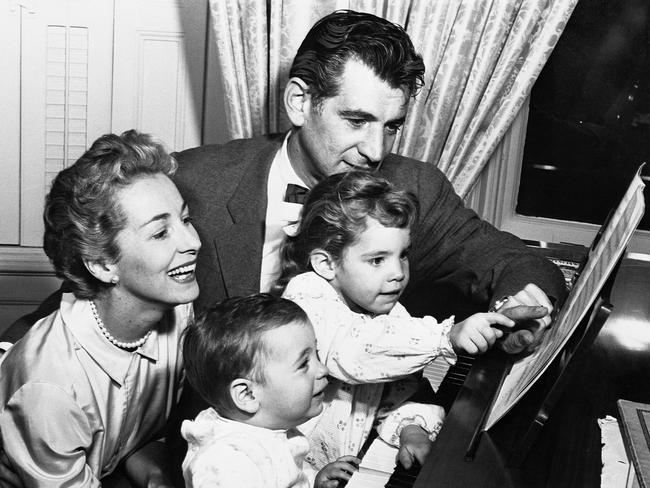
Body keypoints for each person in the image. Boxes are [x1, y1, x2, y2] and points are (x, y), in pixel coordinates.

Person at [275, 171, 523, 470]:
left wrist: (411, 429)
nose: (398, 273)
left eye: (402, 255)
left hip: (335, 469)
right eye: (377, 259)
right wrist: (446, 337)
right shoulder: (305, 297)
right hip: (284, 468)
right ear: (326, 264)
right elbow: (355, 353)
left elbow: (395, 388)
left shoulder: (388, 310)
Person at [0, 130, 201, 487]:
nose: (194, 242)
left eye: (184, 220)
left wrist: (155, 475)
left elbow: (137, 438)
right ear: (103, 264)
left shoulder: (179, 315)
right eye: (160, 233)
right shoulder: (50, 384)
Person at [180, 293, 359, 488]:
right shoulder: (229, 464)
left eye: (316, 354)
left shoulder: (266, 428)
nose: (323, 369)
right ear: (247, 395)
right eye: (303, 364)